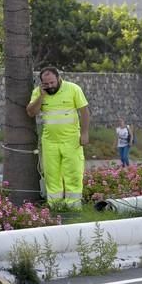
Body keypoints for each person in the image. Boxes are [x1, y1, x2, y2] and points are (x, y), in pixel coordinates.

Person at [26, 67, 90, 209]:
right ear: (42, 83)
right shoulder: (38, 92)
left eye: (52, 83)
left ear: (59, 78)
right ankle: (56, 207)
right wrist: (41, 96)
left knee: (73, 173)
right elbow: (31, 112)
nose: (50, 86)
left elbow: (85, 112)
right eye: (46, 84)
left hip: (72, 140)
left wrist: (85, 133)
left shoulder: (73, 89)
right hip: (50, 142)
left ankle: (73, 207)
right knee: (51, 174)